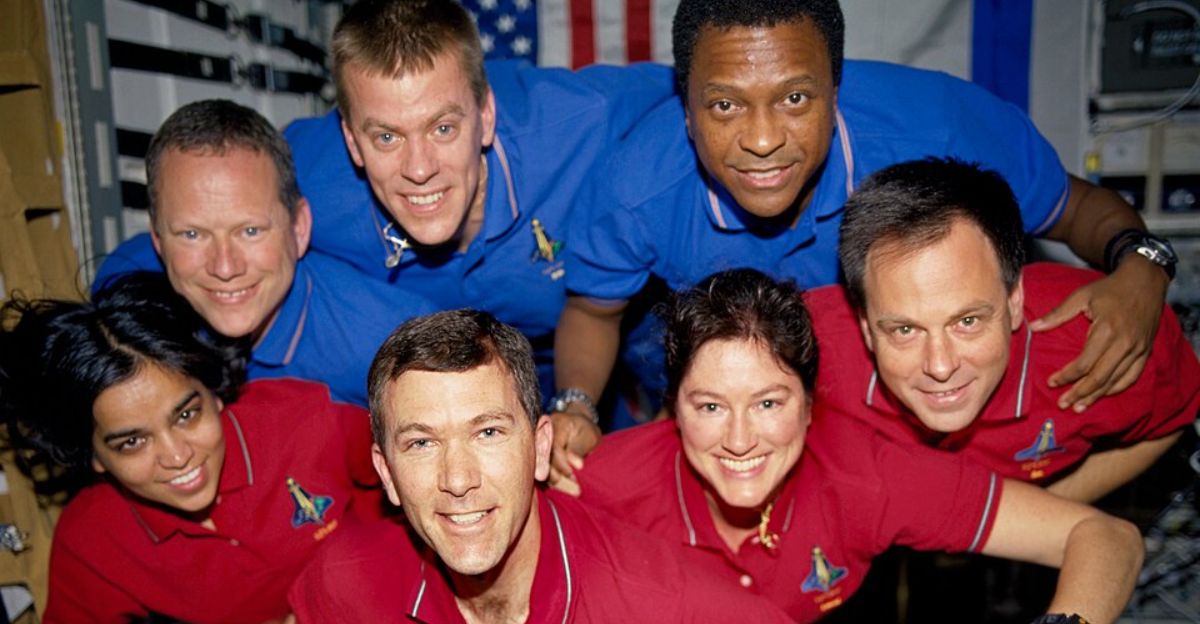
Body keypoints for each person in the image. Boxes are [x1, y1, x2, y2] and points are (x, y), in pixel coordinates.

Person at [550, 0, 1176, 488]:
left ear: (836, 89)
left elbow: (1079, 209)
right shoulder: (635, 186)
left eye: (795, 98)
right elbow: (592, 312)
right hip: (753, 404)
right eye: (724, 106)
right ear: (687, 111)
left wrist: (1143, 263)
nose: (762, 140)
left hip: (905, 396)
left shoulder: (942, 127)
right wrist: (577, 405)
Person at [567, 269, 1143, 623]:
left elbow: (1105, 538)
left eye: (769, 403)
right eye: (710, 407)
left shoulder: (864, 474)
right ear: (674, 409)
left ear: (810, 405)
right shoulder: (596, 485)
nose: (740, 441)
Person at [287, 309, 794, 623]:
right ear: (386, 473)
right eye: (421, 443)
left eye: (488, 432)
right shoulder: (343, 584)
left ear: (541, 447)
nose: (458, 480)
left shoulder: (663, 603)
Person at [283, 0, 676, 402]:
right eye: (387, 137)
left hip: (615, 327)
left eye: (443, 128)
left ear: (486, 116)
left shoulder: (584, 118)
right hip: (456, 376)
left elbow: (700, 93)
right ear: (352, 142)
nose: (419, 169)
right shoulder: (304, 178)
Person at [803, 157, 1199, 503]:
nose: (940, 366)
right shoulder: (800, 346)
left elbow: (1175, 415)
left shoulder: (1104, 339)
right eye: (905, 330)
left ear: (1014, 302)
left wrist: (1027, 519)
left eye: (968, 322)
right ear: (865, 326)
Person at [0, 273, 381, 623]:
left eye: (186, 415)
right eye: (132, 442)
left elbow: (408, 486)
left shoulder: (307, 420)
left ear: (213, 393)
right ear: (95, 455)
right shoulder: (92, 541)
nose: (177, 456)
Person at [93, 99, 437, 407]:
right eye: (192, 235)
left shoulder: (392, 347)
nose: (225, 267)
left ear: (299, 228)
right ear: (158, 240)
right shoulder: (124, 289)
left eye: (250, 231)